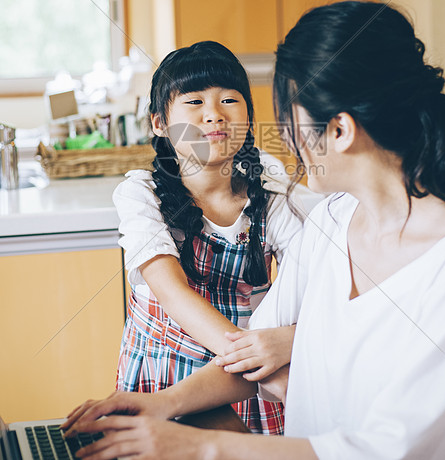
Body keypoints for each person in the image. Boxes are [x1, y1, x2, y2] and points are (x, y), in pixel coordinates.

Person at [63, 2, 445, 459]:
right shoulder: (332, 221)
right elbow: (253, 354)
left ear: (338, 130)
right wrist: (162, 404)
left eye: (287, 116)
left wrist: (201, 446)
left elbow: (383, 450)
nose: (281, 134)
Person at [112, 41, 306, 436]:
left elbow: (312, 283)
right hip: (169, 375)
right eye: (195, 101)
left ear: (249, 117)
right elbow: (173, 294)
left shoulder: (270, 191)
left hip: (248, 379)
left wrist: (290, 341)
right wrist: (262, 362)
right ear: (159, 123)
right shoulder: (140, 193)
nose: (214, 115)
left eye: (229, 100)